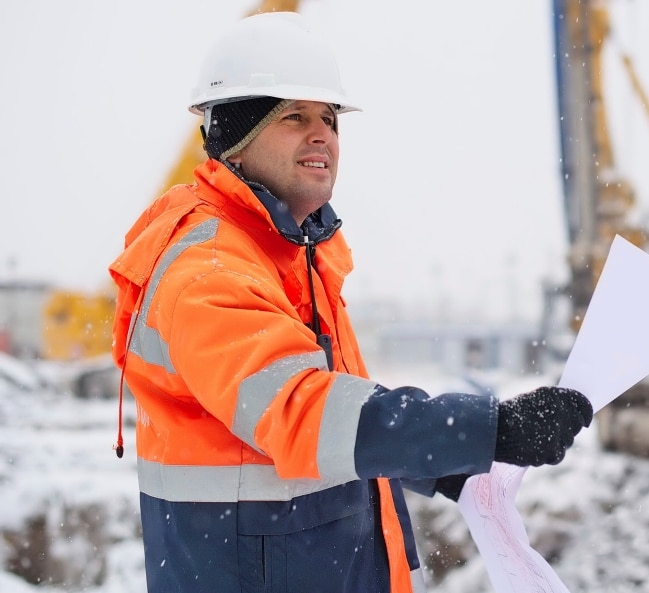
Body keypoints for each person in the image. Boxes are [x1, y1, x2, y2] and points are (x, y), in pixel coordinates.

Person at [108, 12, 593, 593]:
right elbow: (305, 414)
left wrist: (444, 466)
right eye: (295, 117)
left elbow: (343, 417)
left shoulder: (291, 253)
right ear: (234, 133)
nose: (322, 136)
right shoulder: (208, 272)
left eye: (331, 119)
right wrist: (490, 429)